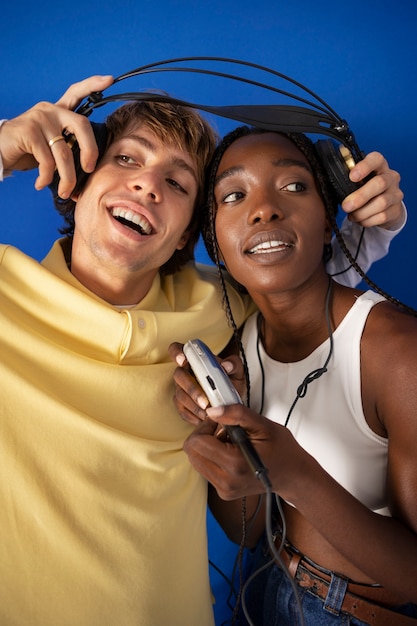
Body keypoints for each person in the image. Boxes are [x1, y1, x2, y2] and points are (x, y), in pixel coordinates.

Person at [0, 75, 407, 626]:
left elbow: (293, 269)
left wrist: (370, 219)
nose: (148, 186)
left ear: (188, 236)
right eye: (125, 159)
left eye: (178, 182)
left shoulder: (222, 305)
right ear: (76, 178)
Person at [170, 125, 417, 625]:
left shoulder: (396, 352)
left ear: (331, 222)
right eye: (235, 195)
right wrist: (226, 440)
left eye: (293, 186)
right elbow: (246, 531)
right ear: (214, 243)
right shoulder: (239, 351)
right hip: (260, 584)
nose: (264, 209)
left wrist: (295, 475)